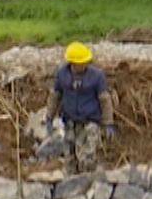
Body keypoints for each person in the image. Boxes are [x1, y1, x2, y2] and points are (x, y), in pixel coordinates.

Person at [47, 41, 115, 173]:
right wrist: (49, 117)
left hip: (90, 122)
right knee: (70, 157)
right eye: (80, 63)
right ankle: (72, 184)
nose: (83, 65)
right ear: (72, 63)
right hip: (70, 122)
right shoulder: (62, 75)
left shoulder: (96, 77)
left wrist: (108, 123)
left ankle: (88, 182)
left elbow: (105, 100)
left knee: (87, 157)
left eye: (85, 62)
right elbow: (55, 96)